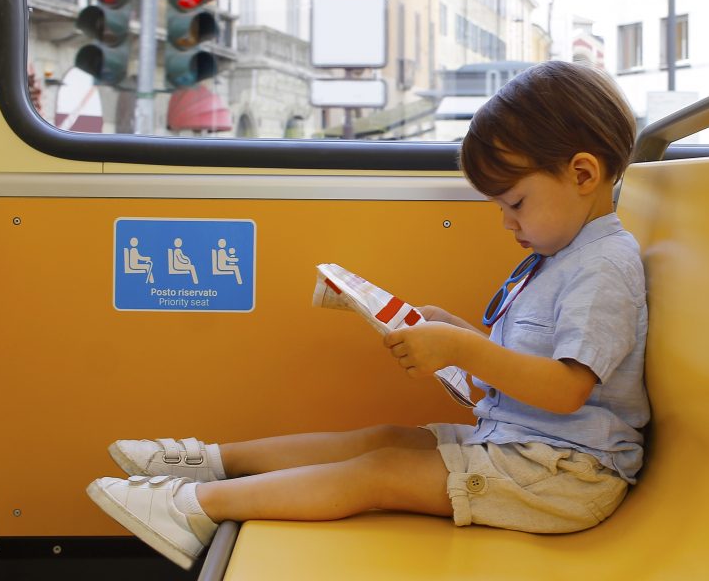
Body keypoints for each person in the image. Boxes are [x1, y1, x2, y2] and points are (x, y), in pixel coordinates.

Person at [86, 61, 650, 570]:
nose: (507, 222)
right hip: (521, 446)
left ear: (582, 174)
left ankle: (193, 510)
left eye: (515, 204)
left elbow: (567, 390)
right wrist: (451, 328)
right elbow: (524, 364)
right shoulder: (561, 256)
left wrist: (461, 349)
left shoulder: (602, 268)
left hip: (564, 477)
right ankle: (208, 463)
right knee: (383, 438)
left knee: (379, 474)